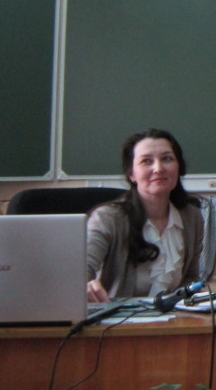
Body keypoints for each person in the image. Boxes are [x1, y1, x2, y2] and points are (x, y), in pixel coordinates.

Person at [86, 128, 205, 303]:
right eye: (146, 161)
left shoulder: (191, 216)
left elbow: (191, 277)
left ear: (178, 167)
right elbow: (80, 271)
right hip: (117, 317)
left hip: (173, 316)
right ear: (132, 174)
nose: (158, 168)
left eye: (167, 159)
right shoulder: (107, 218)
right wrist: (85, 284)